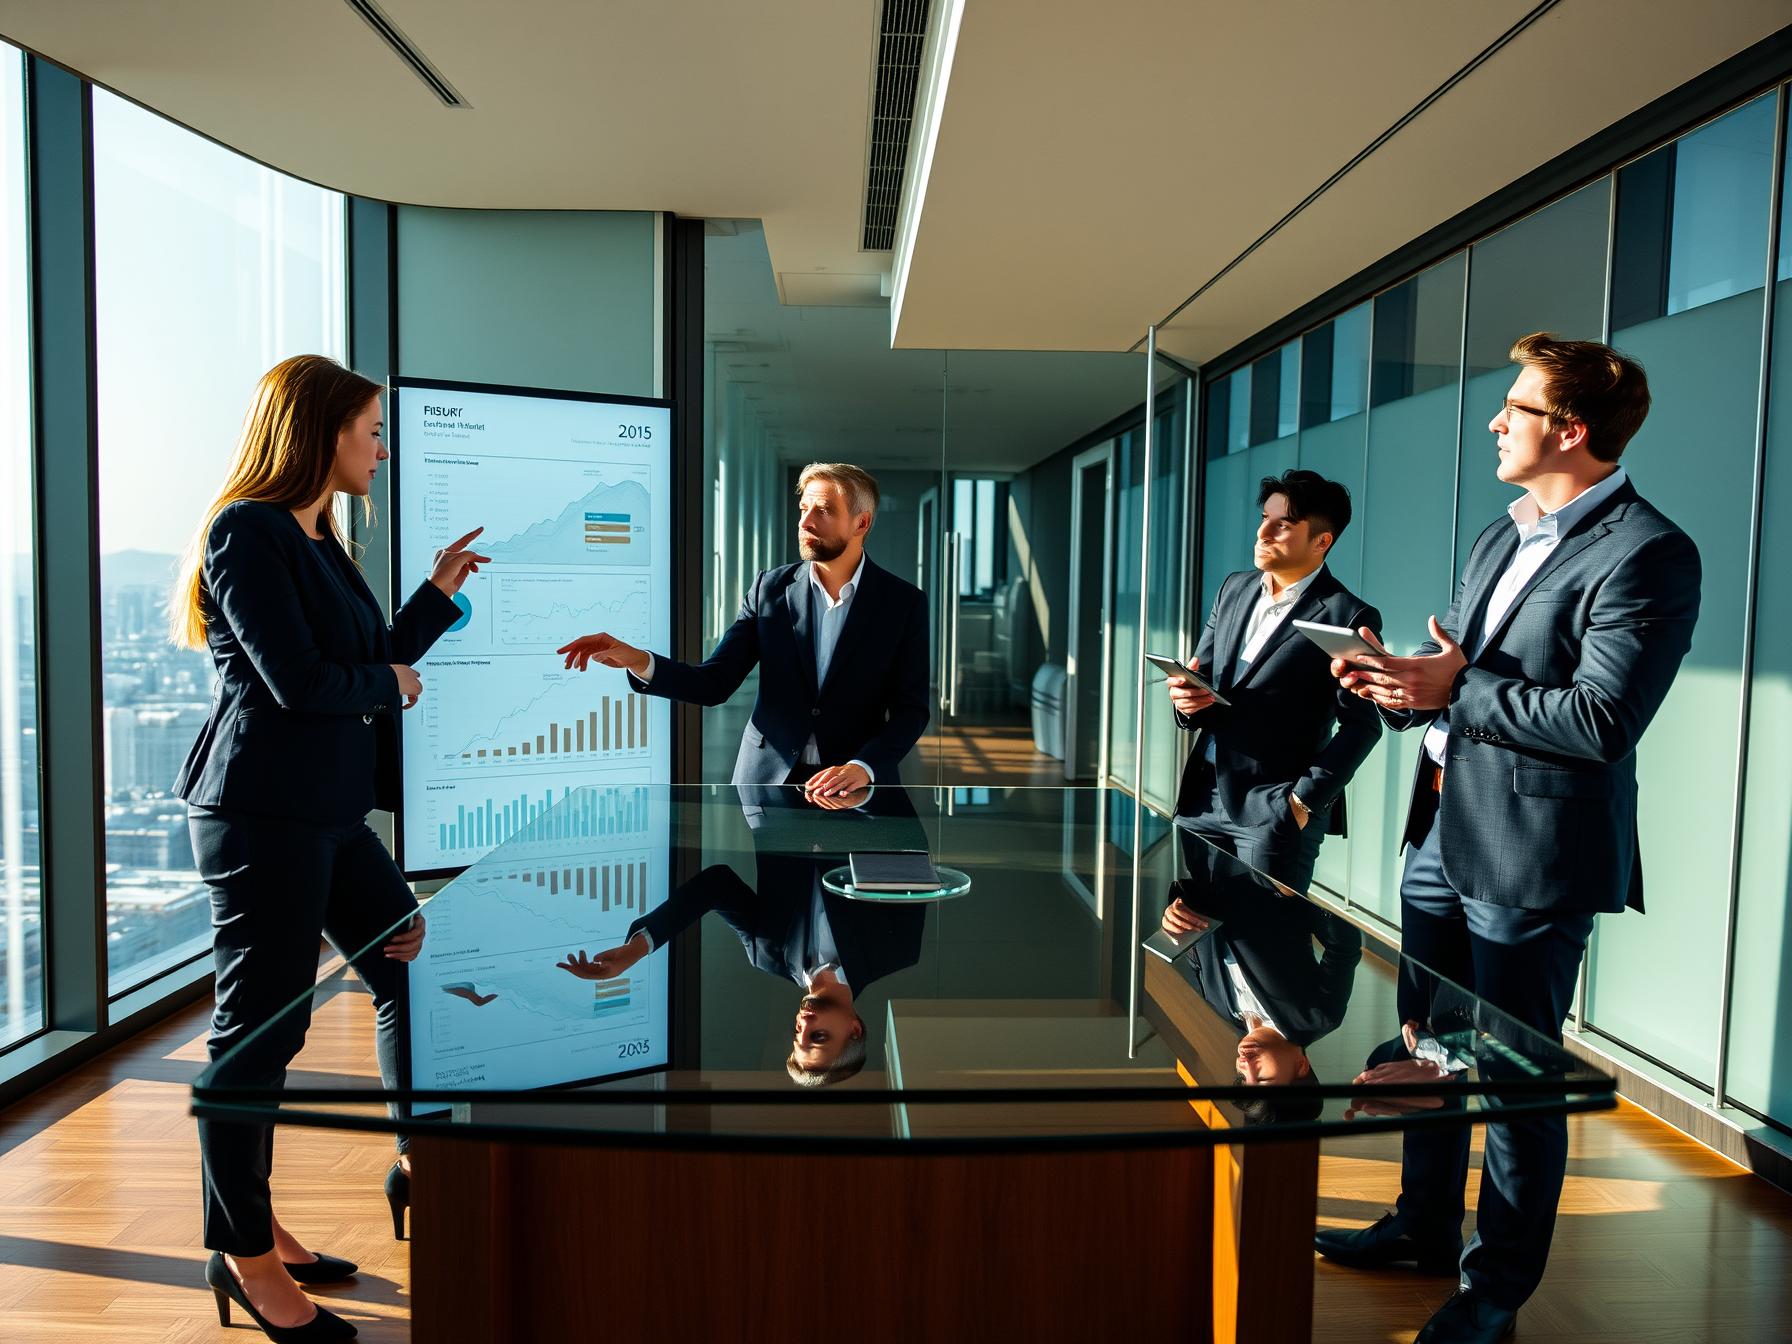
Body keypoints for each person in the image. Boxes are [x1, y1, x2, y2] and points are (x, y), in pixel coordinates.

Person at [1314, 334, 1701, 1344]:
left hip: (1531, 855)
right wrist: (1393, 682)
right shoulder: (1500, 534)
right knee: (1430, 1053)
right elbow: (1454, 675)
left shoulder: (1648, 551)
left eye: (1514, 408)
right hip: (1441, 826)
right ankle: (1420, 1226)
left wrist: (1455, 688)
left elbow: (1601, 722)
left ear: (1568, 430)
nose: (1494, 422)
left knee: (1514, 1082)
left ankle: (1494, 1298)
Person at [171, 355, 488, 1341]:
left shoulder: (319, 536)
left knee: (405, 964)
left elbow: (365, 659)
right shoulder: (247, 532)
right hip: (262, 813)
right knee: (259, 1036)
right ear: (321, 432)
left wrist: (432, 599)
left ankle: (414, 1159)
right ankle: (246, 1254)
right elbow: (301, 682)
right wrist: (389, 680)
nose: (382, 450)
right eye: (372, 431)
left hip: (330, 811)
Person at [556, 462, 929, 795]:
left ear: (861, 523)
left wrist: (862, 767)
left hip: (855, 785)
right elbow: (714, 683)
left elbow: (911, 710)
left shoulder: (902, 603)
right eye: (803, 509)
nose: (805, 522)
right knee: (776, 877)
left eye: (824, 511)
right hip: (767, 783)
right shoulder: (769, 589)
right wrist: (639, 661)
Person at [558, 784, 929, 1085]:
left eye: (797, 1035)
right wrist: (862, 793)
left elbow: (717, 884)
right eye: (817, 1038)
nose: (803, 1026)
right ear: (855, 1028)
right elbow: (909, 845)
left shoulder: (767, 956)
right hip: (847, 774)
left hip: (774, 782)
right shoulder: (896, 949)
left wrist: (638, 948)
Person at [1166, 469, 1382, 890]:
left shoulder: (1347, 615)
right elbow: (1204, 678)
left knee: (1268, 944)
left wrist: (1300, 803)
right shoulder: (1233, 589)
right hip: (1199, 797)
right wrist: (1185, 702)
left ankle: (1338, 954)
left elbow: (1362, 725)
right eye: (1264, 518)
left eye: (1282, 524)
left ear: (1322, 541)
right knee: (1201, 937)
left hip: (1272, 811)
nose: (1263, 531)